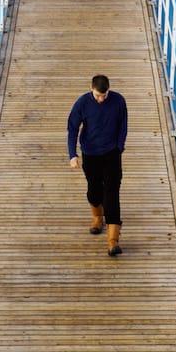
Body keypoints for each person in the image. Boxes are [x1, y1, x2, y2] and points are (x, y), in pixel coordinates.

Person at [67, 73, 128, 256]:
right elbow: (72, 128)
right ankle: (97, 218)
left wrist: (119, 146)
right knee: (94, 190)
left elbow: (123, 125)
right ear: (91, 88)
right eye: (98, 95)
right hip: (90, 153)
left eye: (104, 95)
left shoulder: (118, 101)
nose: (101, 99)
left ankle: (112, 241)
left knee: (111, 194)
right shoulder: (82, 103)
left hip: (111, 154)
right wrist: (73, 154)